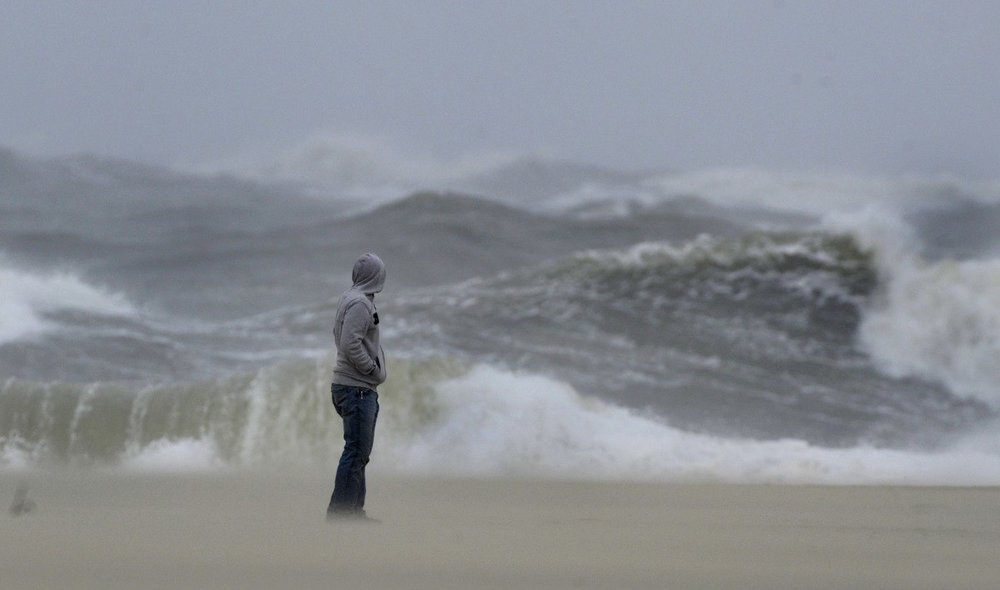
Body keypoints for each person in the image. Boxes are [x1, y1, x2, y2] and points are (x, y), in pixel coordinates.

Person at [327, 253, 387, 521]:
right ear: (377, 277)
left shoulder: (347, 298)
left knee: (359, 453)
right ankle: (339, 515)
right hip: (357, 388)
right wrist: (371, 370)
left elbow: (338, 336)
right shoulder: (361, 304)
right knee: (355, 453)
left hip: (348, 386)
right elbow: (350, 343)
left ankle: (353, 512)